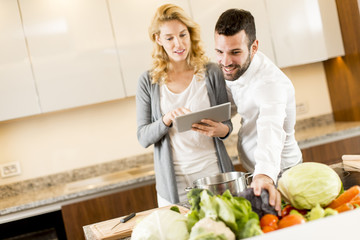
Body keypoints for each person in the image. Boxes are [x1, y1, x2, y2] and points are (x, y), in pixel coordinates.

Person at [136, 4, 234, 207]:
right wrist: (166, 119)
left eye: (182, 35)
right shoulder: (148, 81)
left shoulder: (212, 72)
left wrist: (221, 129)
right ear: (158, 39)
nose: (178, 43)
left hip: (213, 171)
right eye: (169, 38)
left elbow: (227, 126)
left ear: (190, 35)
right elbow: (143, 137)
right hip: (174, 180)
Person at [211, 8, 302, 213]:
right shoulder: (237, 69)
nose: (225, 62)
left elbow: (271, 126)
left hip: (280, 174)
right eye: (219, 52)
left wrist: (264, 175)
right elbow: (235, 103)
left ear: (254, 47)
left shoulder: (270, 83)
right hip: (257, 172)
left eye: (235, 52)